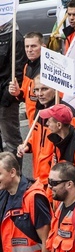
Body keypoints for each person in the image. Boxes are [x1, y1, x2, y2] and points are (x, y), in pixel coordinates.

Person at [17, 77, 56, 183]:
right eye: (36, 90)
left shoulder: (63, 115)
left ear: (55, 89)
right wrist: (27, 146)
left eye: (44, 89)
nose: (39, 94)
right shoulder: (39, 110)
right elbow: (36, 136)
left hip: (54, 178)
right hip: (39, 175)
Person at [8, 32, 43, 125]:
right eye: (27, 47)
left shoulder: (48, 68)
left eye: (33, 46)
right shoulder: (27, 66)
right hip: (32, 119)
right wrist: (18, 92)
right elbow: (25, 96)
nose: (29, 50)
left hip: (44, 120)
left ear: (43, 46)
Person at [0, 22, 24, 155]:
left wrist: (7, 98)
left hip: (6, 98)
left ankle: (14, 174)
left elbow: (17, 71)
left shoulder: (16, 38)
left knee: (10, 140)